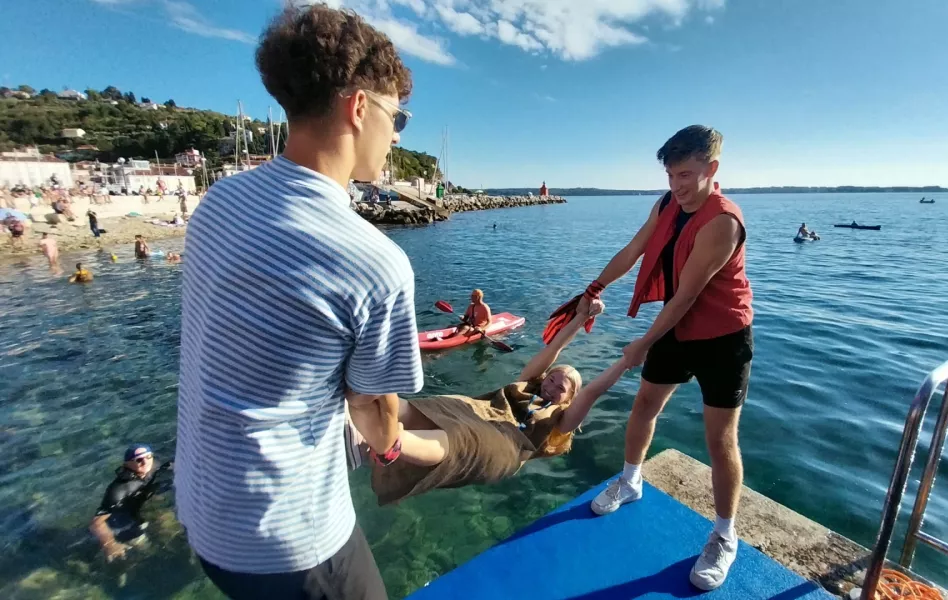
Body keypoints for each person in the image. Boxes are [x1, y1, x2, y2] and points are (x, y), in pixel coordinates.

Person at [176, 6, 419, 600]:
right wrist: (390, 447)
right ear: (359, 107)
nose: (396, 132)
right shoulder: (374, 261)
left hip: (204, 516)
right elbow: (371, 411)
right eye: (399, 116)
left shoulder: (218, 204)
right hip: (290, 543)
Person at [569, 125, 753, 591]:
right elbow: (634, 250)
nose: (677, 185)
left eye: (687, 174)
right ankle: (631, 481)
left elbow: (687, 296)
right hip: (675, 327)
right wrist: (593, 287)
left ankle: (724, 535)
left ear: (712, 169)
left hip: (721, 337)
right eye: (671, 174)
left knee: (720, 440)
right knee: (645, 404)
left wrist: (642, 344)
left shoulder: (723, 222)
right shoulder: (667, 203)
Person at [351, 300, 616, 505]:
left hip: (508, 443)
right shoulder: (526, 384)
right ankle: (359, 412)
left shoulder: (561, 419)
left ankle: (391, 442)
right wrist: (581, 317)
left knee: (464, 441)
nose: (552, 387)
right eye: (552, 379)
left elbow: (592, 392)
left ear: (569, 398)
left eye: (561, 388)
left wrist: (626, 361)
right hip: (480, 409)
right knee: (433, 407)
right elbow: (553, 348)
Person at [89, 444, 172, 562]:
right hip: (122, 522)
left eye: (149, 457)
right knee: (147, 550)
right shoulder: (119, 489)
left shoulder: (154, 467)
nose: (145, 462)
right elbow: (96, 523)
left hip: (140, 511)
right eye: (139, 460)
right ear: (127, 464)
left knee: (170, 530)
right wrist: (110, 545)